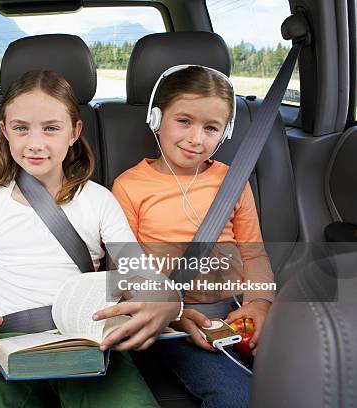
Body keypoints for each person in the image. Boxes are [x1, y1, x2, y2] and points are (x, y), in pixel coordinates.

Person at [0, 70, 181, 408]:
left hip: (85, 340)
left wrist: (168, 300)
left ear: (74, 132)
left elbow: (138, 270)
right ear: (4, 131)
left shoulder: (98, 200)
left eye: (51, 128)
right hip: (8, 343)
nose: (35, 143)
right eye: (21, 128)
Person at [112, 65, 275, 408]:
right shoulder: (130, 186)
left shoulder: (233, 181)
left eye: (211, 128)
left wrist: (259, 305)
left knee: (311, 377)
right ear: (156, 119)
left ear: (225, 133)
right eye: (184, 121)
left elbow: (254, 254)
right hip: (174, 321)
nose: (196, 138)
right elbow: (126, 269)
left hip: (236, 310)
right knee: (235, 397)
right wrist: (173, 314)